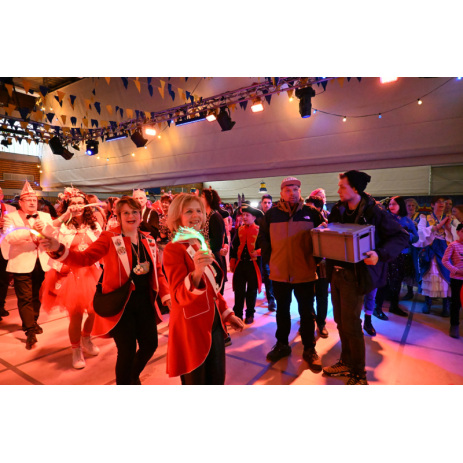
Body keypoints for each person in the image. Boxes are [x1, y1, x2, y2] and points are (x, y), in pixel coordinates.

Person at [41, 196, 171, 385]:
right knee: (126, 351)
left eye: (135, 212)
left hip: (145, 304)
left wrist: (167, 297)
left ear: (140, 215)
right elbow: (84, 258)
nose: (131, 216)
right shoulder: (109, 238)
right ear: (118, 216)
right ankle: (126, 383)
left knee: (150, 345)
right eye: (126, 213)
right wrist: (59, 249)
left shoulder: (149, 240)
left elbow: (157, 272)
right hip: (120, 304)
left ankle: (132, 376)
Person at [322, 171, 409, 385]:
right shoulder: (339, 209)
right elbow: (335, 232)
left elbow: (401, 236)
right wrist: (326, 230)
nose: (338, 190)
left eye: (342, 186)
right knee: (340, 321)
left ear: (355, 188)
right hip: (337, 272)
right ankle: (346, 362)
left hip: (357, 275)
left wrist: (379, 254)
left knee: (351, 323)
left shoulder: (374, 211)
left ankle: (359, 373)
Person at [162, 193, 244, 384]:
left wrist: (227, 314)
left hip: (213, 323)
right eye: (188, 211)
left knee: (216, 378)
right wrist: (197, 272)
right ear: (177, 216)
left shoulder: (198, 243)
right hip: (191, 328)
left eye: (199, 210)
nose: (196, 215)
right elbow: (178, 296)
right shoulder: (174, 249)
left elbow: (212, 289)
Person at [258, 176, 325, 371]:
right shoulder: (271, 215)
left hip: (304, 272)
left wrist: (314, 261)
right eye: (287, 190)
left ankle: (309, 348)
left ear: (300, 191)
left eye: (295, 189)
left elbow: (323, 238)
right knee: (282, 311)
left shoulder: (311, 213)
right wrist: (271, 261)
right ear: (281, 193)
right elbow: (263, 239)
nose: (292, 193)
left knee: (307, 312)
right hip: (280, 273)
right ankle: (282, 345)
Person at [39, 188, 103, 369]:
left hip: (92, 273)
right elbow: (45, 232)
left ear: (86, 205)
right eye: (72, 203)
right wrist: (65, 215)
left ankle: (86, 339)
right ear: (67, 206)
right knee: (75, 316)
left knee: (94, 311)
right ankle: (76, 349)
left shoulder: (95, 225)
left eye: (80, 203)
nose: (77, 206)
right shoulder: (63, 226)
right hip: (70, 275)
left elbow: (102, 246)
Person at [1, 181, 54, 349]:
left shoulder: (45, 216)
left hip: (41, 262)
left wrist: (44, 230)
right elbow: (9, 237)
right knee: (24, 297)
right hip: (21, 262)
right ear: (21, 202)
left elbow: (53, 235)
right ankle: (29, 330)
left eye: (34, 200)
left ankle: (34, 321)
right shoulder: (11, 217)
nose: (32, 202)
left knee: (37, 295)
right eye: (28, 200)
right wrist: (31, 232)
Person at [374, 196, 419, 319]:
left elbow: (416, 238)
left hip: (402, 254)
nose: (391, 206)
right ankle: (377, 308)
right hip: (387, 254)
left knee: (397, 282)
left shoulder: (407, 220)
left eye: (394, 204)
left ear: (400, 205)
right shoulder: (385, 218)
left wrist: (405, 234)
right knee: (383, 281)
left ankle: (394, 306)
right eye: (390, 204)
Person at [414, 196, 458, 316]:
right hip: (431, 250)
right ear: (432, 205)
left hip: (445, 250)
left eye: (443, 202)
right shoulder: (425, 218)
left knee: (446, 276)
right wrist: (436, 227)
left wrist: (448, 227)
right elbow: (420, 233)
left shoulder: (451, 218)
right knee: (429, 275)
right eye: (438, 202)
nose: (441, 204)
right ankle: (427, 302)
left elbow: (458, 234)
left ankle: (446, 305)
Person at [229, 204, 262, 325]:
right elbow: (234, 247)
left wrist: (258, 252)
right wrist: (232, 261)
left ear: (254, 217)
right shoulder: (239, 229)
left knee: (251, 291)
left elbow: (266, 246)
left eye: (247, 215)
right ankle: (238, 314)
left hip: (253, 265)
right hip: (240, 264)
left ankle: (250, 314)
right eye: (243, 215)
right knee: (238, 291)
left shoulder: (259, 230)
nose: (244, 217)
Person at [305, 194, 330, 338]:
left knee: (322, 295)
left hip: (322, 264)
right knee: (307, 295)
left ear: (319, 209)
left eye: (312, 208)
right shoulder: (303, 222)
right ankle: (309, 320)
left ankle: (321, 322)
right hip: (306, 264)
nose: (308, 211)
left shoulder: (327, 223)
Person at [201, 189, 229, 295]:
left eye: (202, 197)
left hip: (214, 257)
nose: (200, 199)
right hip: (208, 255)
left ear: (208, 199)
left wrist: (203, 245)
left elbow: (217, 242)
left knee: (215, 291)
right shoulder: (207, 215)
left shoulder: (215, 216)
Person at [442, 223, 463, 338]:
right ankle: (454, 325)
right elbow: (445, 260)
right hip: (457, 279)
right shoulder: (453, 245)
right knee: (456, 303)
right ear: (458, 232)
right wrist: (456, 270)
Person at [258, 194, 276, 312]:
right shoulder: (258, 218)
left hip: (275, 250)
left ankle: (273, 296)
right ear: (261, 204)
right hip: (264, 251)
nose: (267, 205)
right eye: (265, 202)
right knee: (267, 274)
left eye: (269, 202)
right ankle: (271, 299)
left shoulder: (275, 216)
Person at [0, 187, 16, 321]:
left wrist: (6, 227)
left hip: (4, 248)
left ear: (2, 195)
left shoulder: (11, 210)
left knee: (3, 279)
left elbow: (16, 229)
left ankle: (1, 306)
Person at [403, 198, 421, 300]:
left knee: (416, 269)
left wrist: (416, 226)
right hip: (406, 247)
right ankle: (409, 292)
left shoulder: (420, 217)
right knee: (407, 269)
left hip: (417, 247)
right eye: (409, 205)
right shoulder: (402, 218)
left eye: (413, 205)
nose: (411, 207)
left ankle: (423, 291)